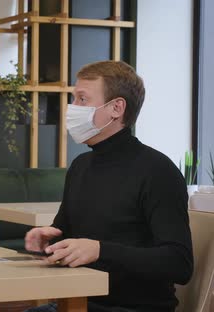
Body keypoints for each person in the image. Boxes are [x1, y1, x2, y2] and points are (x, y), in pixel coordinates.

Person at [25, 61, 193, 312]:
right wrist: (51, 238)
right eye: (74, 99)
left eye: (82, 99)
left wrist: (100, 251)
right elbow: (70, 232)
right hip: (75, 302)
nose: (72, 109)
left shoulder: (158, 171)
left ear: (116, 107)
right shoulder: (80, 166)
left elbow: (179, 263)